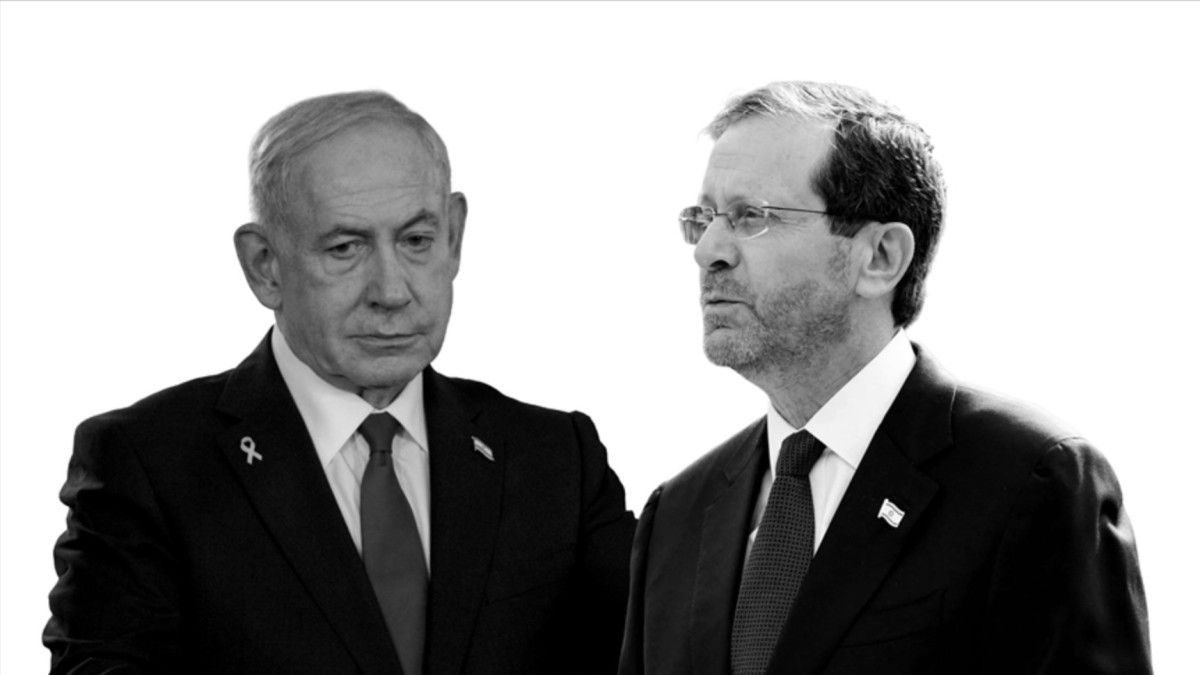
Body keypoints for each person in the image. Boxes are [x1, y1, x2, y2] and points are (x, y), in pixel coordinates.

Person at [45, 91, 635, 674]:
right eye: (346, 248)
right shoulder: (148, 465)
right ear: (264, 266)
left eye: (417, 241)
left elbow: (659, 649)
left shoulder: (557, 459)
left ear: (454, 237)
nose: (391, 291)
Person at [619, 81, 1151, 675]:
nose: (707, 251)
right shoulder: (676, 517)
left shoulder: (1030, 480)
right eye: (703, 218)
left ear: (880, 258)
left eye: (752, 217)